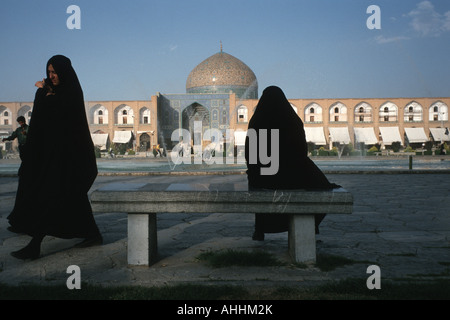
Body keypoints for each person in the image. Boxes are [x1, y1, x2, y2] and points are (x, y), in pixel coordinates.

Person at [7, 55, 102, 260]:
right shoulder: (51, 90)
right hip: (54, 155)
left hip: (70, 157)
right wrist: (44, 93)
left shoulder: (72, 90)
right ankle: (93, 234)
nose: (52, 76)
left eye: (55, 72)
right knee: (73, 199)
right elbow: (43, 119)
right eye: (49, 72)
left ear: (64, 71)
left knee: (52, 196)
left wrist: (48, 94)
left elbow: (63, 116)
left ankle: (35, 244)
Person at [245, 86, 341, 241]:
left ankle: (260, 229)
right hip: (292, 178)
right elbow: (301, 152)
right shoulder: (292, 120)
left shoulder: (257, 120)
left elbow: (251, 155)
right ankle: (309, 226)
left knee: (258, 178)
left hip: (265, 179)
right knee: (321, 186)